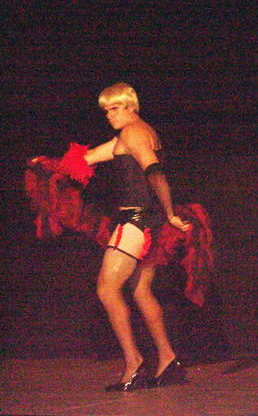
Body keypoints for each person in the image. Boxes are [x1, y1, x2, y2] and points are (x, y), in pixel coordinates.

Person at [59, 82, 191, 391]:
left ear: (131, 107)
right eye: (106, 111)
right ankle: (168, 359)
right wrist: (48, 166)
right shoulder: (134, 133)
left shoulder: (133, 132)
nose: (109, 115)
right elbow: (88, 158)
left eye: (115, 108)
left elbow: (154, 172)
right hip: (147, 222)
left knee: (107, 289)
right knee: (141, 291)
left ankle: (134, 363)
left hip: (136, 223)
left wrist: (170, 213)